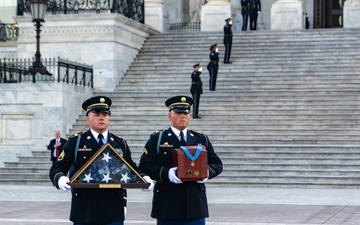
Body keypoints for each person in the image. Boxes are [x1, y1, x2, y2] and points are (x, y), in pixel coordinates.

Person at [49, 96, 154, 225]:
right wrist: (60, 179)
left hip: (113, 208)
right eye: (97, 114)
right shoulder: (76, 142)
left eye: (105, 114)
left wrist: (143, 178)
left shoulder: (119, 143)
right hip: (84, 209)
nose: (101, 117)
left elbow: (130, 168)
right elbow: (57, 167)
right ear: (88, 118)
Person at [139, 95, 223, 225]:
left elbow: (217, 164)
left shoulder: (201, 138)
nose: (182, 116)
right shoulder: (158, 139)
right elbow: (145, 165)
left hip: (195, 205)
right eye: (178, 112)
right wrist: (167, 173)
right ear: (169, 115)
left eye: (186, 112)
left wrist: (207, 172)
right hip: (167, 205)